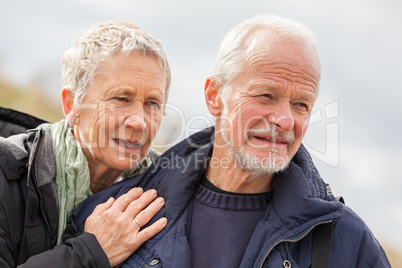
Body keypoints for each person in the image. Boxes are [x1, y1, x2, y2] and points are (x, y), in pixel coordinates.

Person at [69, 15, 391, 267]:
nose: (285, 120)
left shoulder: (347, 241)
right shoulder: (112, 216)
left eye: (301, 105)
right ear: (215, 96)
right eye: (267, 95)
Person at [0, 20, 171, 267]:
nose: (139, 122)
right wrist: (92, 252)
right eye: (121, 98)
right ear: (72, 105)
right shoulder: (6, 176)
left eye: (153, 103)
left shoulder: (168, 190)